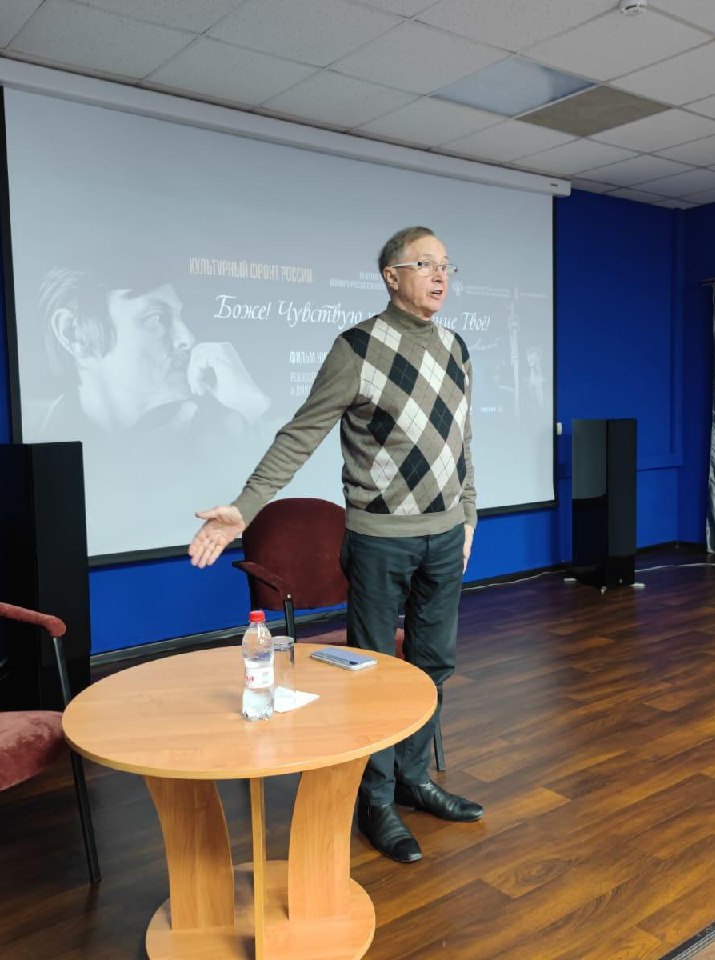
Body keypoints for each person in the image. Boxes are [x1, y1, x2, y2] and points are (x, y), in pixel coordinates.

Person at [188, 227, 484, 864]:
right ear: (391, 276)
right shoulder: (357, 348)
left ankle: (413, 780)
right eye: (425, 264)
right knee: (375, 675)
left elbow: (461, 441)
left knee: (433, 665)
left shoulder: (456, 347)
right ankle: (373, 801)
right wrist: (245, 507)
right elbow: (301, 434)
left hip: (444, 537)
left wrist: (468, 517)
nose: (440, 275)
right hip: (379, 540)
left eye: (446, 265)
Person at [35, 268, 270, 440]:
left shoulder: (229, 434)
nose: (187, 338)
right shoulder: (32, 431)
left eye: (179, 316)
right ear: (75, 334)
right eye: (156, 317)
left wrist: (251, 404)